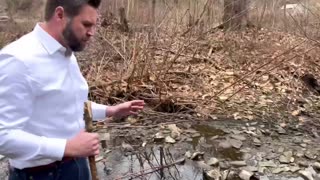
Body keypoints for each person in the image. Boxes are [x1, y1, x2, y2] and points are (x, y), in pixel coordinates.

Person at [0, 0, 145, 179]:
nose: (92, 32)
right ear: (60, 15)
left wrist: (110, 111)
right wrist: (66, 147)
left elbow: (69, 104)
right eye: (86, 24)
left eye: (94, 25)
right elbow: (3, 136)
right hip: (41, 174)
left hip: (76, 166)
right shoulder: (18, 60)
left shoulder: (66, 52)